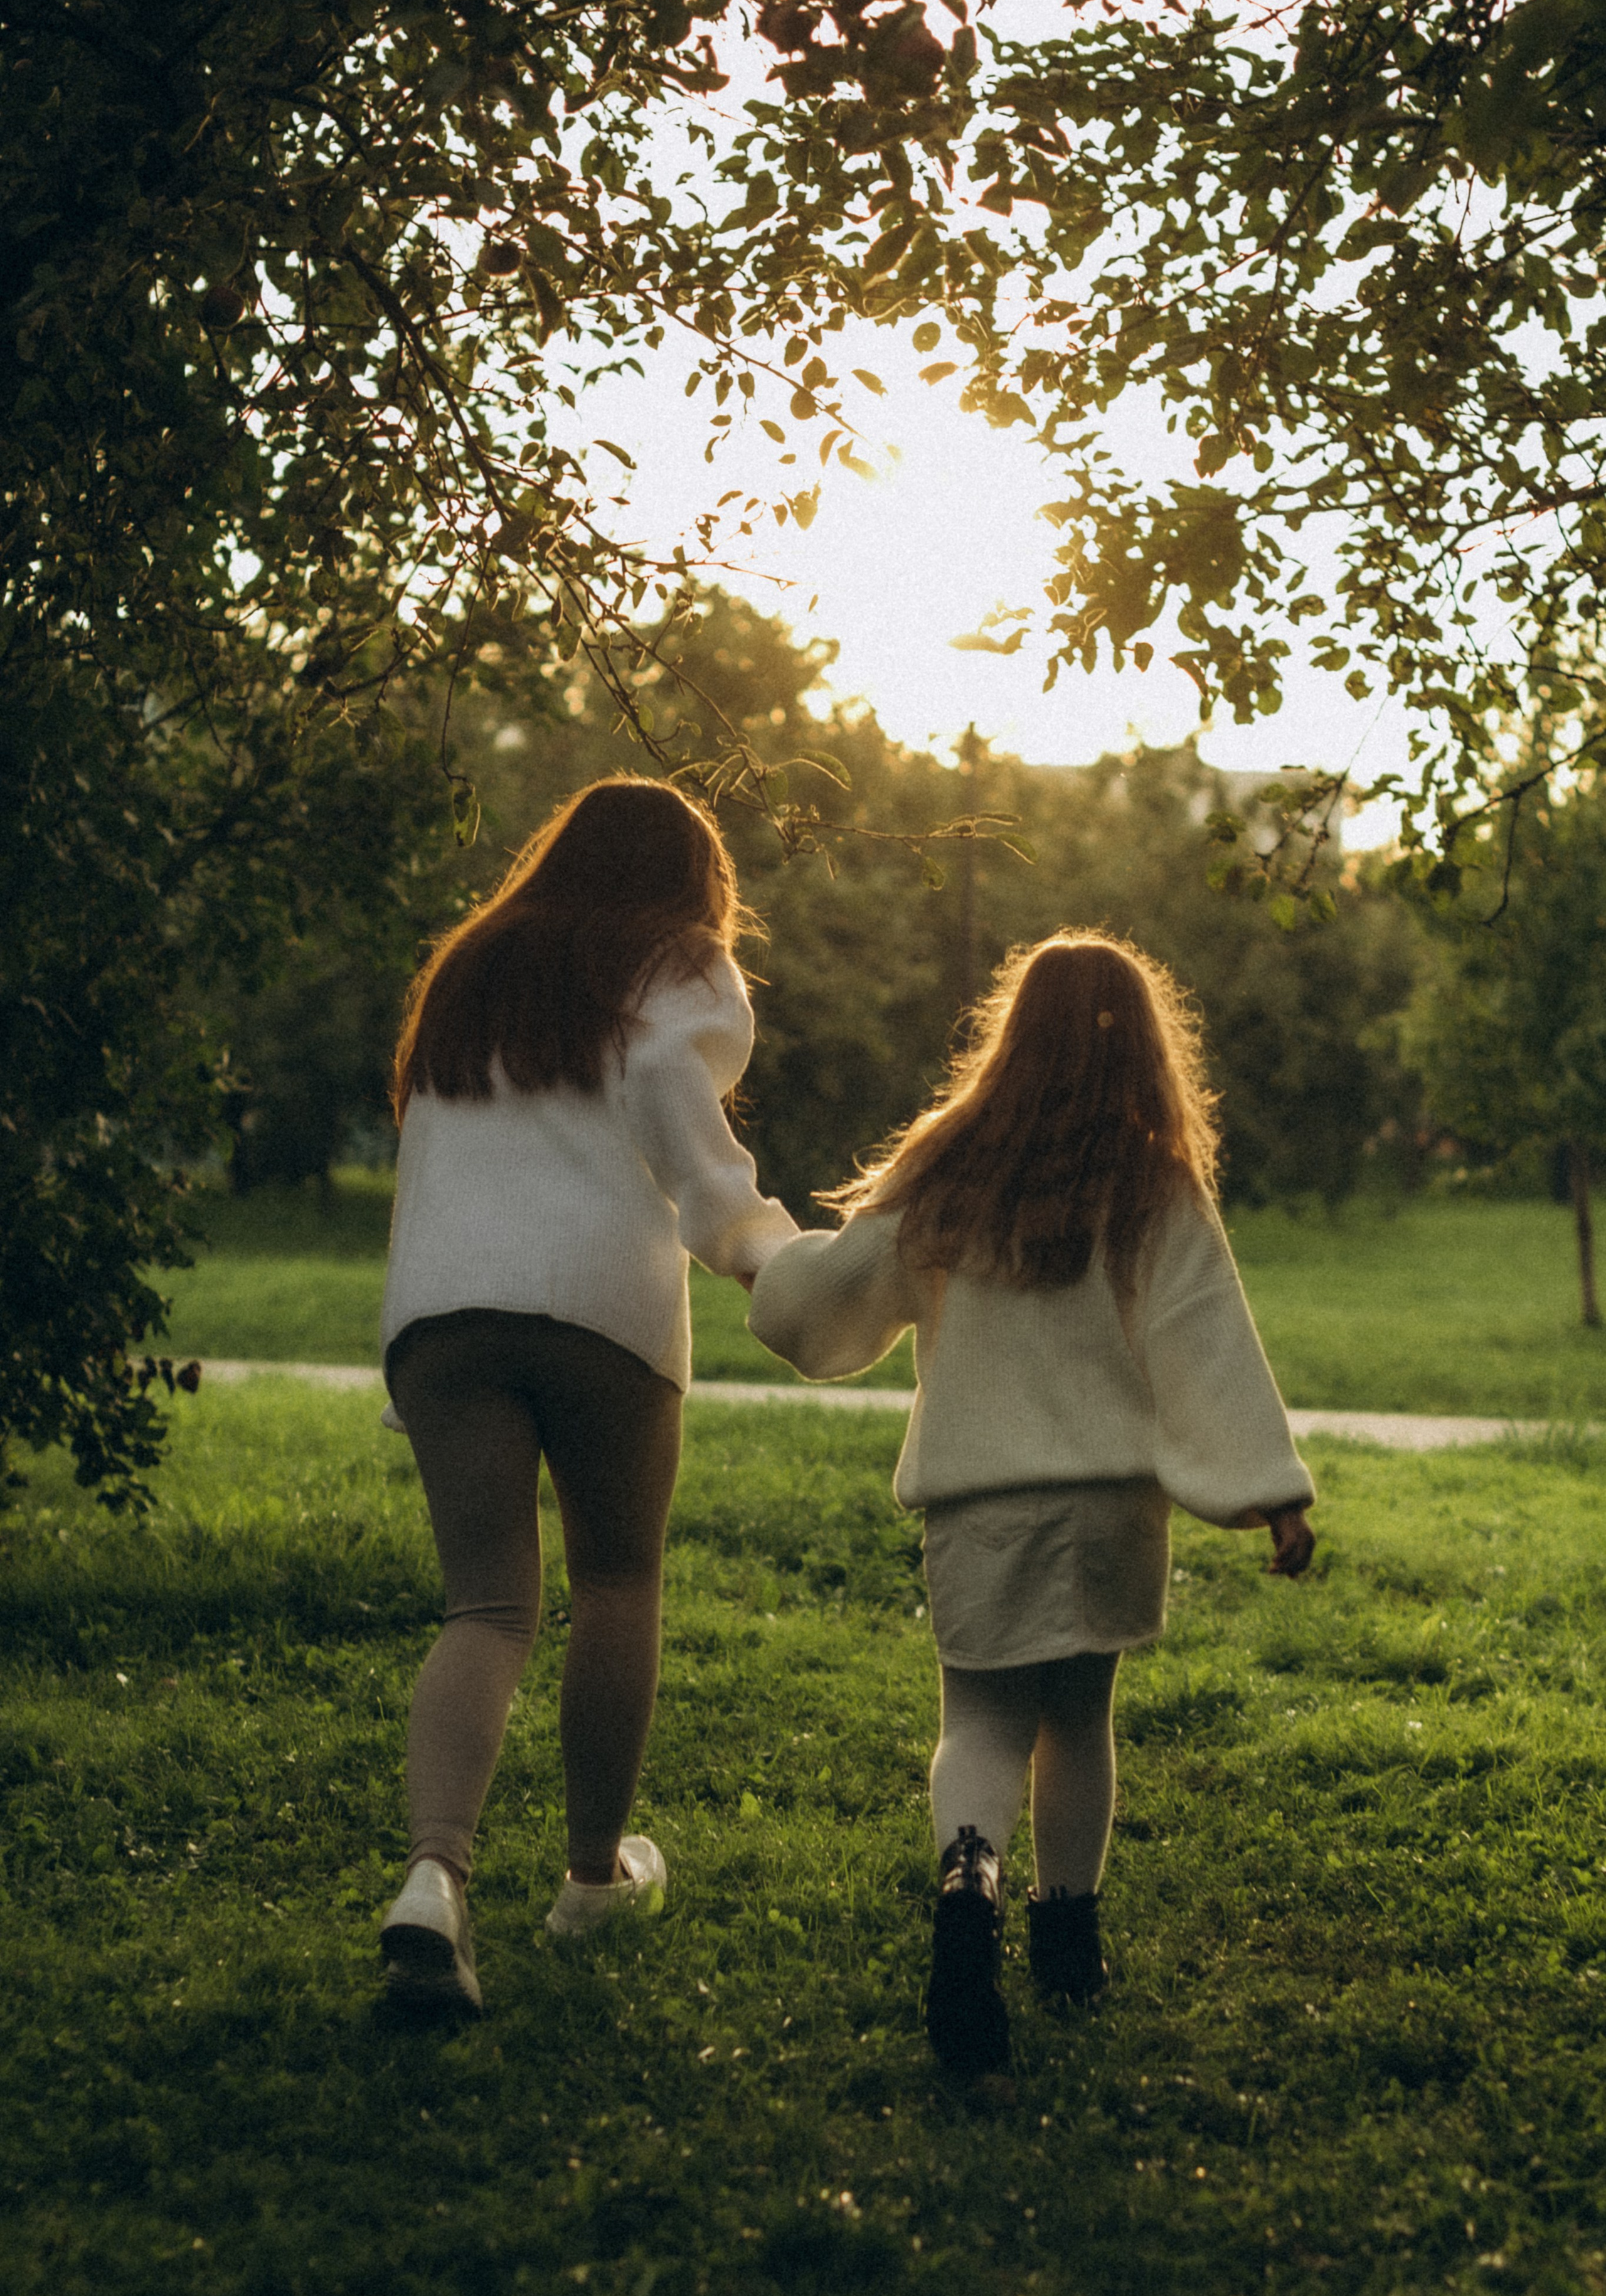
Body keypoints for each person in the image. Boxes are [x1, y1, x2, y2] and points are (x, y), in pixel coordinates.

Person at [748, 931, 1314, 2075]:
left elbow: (835, 1296)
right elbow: (1205, 1338)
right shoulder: (1152, 1182)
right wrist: (1273, 1494)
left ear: (1014, 1030)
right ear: (1145, 1047)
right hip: (1110, 1505)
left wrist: (759, 1257)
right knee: (1079, 1719)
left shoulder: (948, 1169)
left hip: (979, 1504)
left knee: (983, 1720)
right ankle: (1069, 1937)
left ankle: (968, 1888)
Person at [375, 778, 797, 2017]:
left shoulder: (473, 965)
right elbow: (679, 1113)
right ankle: (588, 1880)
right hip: (596, 1303)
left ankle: (431, 1881)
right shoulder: (674, 962)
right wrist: (762, 1250)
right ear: (690, 880)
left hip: (441, 1311)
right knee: (616, 1583)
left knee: (487, 1608)